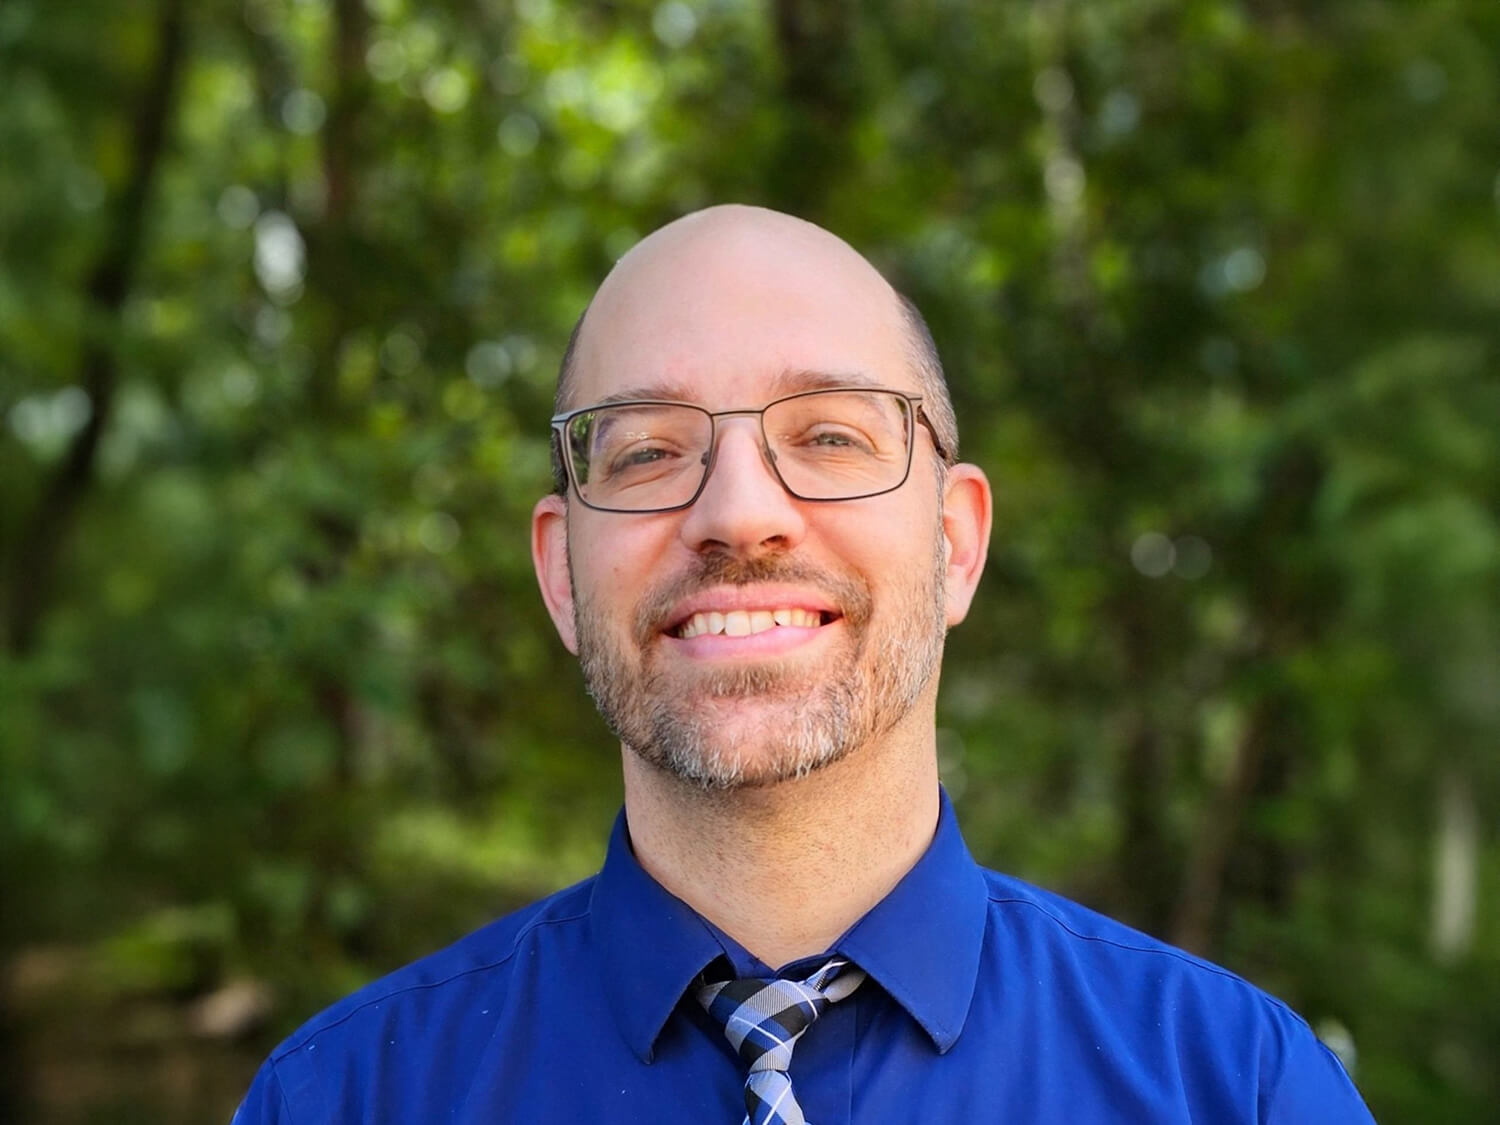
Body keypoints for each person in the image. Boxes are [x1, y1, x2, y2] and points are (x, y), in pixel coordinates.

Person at [233, 205, 1376, 1123]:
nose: (738, 513)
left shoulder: (1237, 1090)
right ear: (562, 575)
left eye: (830, 436)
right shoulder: (344, 1100)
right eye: (648, 451)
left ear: (957, 543)